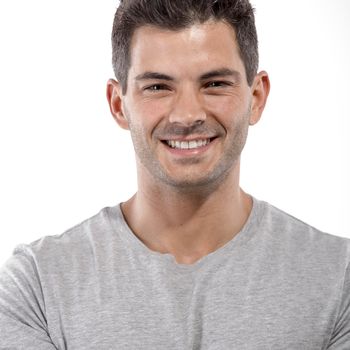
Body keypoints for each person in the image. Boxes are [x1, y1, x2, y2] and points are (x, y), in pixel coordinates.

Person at [0, 0, 349, 348]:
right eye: (157, 87)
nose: (186, 114)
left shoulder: (339, 281)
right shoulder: (37, 288)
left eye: (214, 84)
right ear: (118, 104)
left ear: (256, 97)